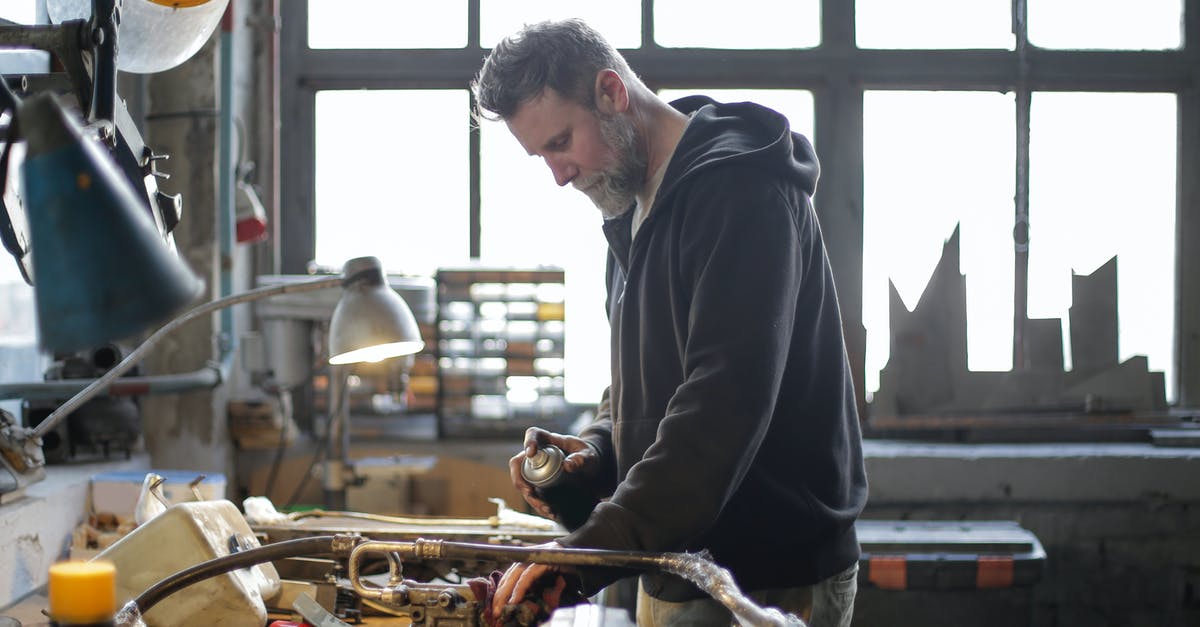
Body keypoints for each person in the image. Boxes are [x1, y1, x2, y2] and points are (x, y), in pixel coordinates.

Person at [471, 18, 868, 627]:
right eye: (541, 157)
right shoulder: (630, 209)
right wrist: (596, 452)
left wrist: (589, 553)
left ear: (611, 91)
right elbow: (644, 383)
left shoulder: (742, 192)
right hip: (670, 561)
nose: (558, 174)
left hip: (764, 576)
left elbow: (720, 405)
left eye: (560, 143)